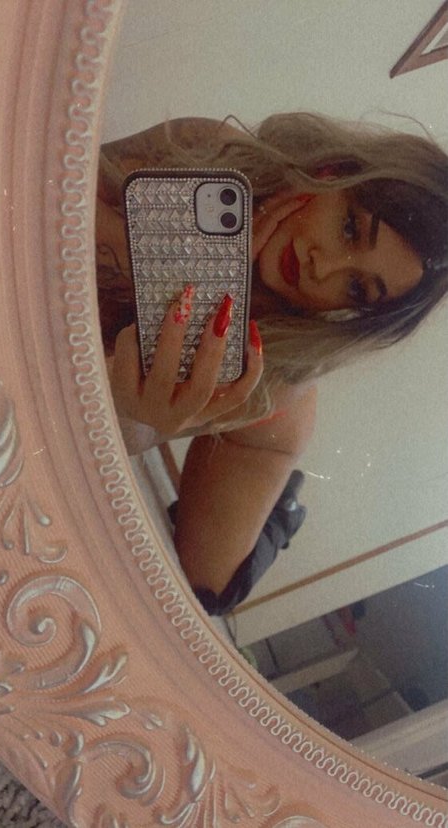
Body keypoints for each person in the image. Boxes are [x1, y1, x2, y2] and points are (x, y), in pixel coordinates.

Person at [96, 113, 448, 607]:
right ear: (331, 173)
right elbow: (50, 203)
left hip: (269, 424)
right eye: (349, 228)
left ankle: (279, 517)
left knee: (210, 585)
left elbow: (109, 433)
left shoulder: (268, 375)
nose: (322, 267)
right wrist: (200, 267)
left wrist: (144, 419)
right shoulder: (206, 151)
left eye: (355, 288)